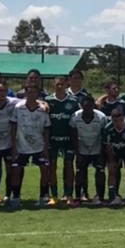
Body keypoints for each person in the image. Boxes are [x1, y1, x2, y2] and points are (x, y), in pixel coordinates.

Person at [10, 82, 50, 208]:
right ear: (25, 93)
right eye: (29, 92)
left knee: (44, 169)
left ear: (37, 94)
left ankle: (43, 197)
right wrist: (14, 146)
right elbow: (14, 126)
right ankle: (16, 197)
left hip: (38, 145)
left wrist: (45, 147)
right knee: (16, 170)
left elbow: (47, 128)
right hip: (22, 145)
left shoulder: (43, 109)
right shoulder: (18, 107)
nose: (31, 94)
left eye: (34, 92)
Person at [46, 76, 79, 205]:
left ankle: (68, 195)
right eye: (57, 84)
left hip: (68, 139)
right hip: (52, 139)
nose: (59, 86)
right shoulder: (48, 100)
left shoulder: (73, 101)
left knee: (69, 166)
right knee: (51, 167)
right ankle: (54, 196)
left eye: (62, 84)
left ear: (66, 85)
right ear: (53, 85)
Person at [70, 95, 107, 206]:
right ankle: (78, 196)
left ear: (93, 106)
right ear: (81, 106)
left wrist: (102, 153)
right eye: (85, 106)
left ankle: (100, 197)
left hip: (97, 148)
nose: (87, 108)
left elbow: (104, 136)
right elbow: (73, 136)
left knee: (100, 172)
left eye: (90, 105)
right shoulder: (75, 117)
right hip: (82, 148)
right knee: (80, 172)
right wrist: (78, 153)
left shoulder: (101, 117)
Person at [103, 106, 125, 206]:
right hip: (114, 152)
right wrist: (111, 160)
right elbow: (108, 146)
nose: (118, 123)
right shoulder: (108, 128)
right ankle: (112, 196)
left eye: (120, 120)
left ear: (124, 118)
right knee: (111, 170)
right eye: (115, 121)